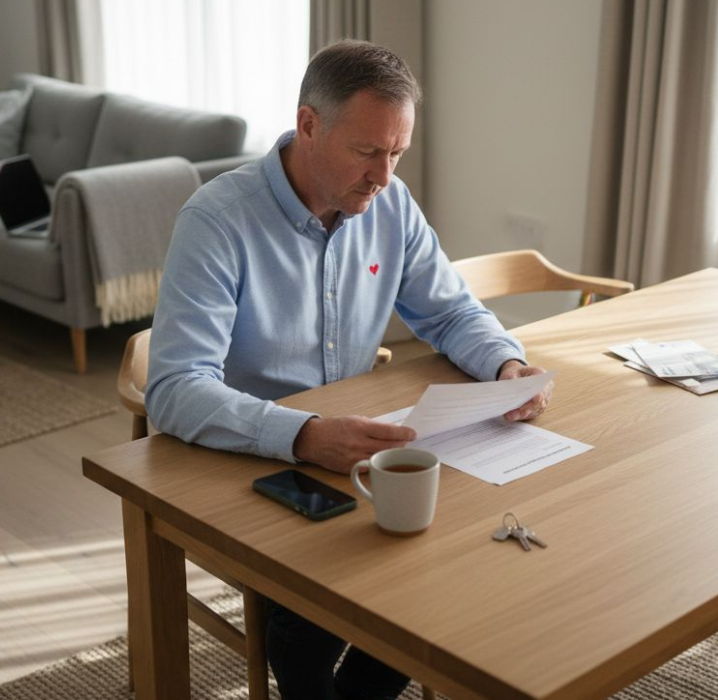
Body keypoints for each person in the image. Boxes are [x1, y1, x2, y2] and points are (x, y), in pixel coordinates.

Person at [146, 40, 553, 700]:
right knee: (320, 613)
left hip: (355, 450)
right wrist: (303, 434)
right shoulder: (218, 221)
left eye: (397, 152)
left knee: (446, 559)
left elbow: (451, 313)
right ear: (309, 125)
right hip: (250, 460)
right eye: (368, 151)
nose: (384, 175)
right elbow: (173, 389)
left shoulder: (389, 206)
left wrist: (505, 364)